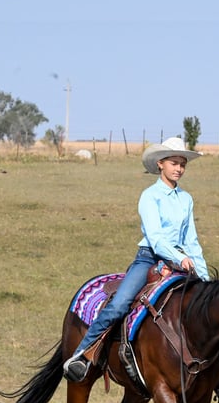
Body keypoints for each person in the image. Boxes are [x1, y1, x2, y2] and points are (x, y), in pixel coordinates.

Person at [63, 136, 210, 381]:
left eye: (182, 164)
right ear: (160, 163)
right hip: (149, 258)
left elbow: (191, 240)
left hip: (180, 261)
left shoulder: (186, 199)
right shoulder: (149, 196)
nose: (179, 168)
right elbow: (155, 237)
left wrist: (203, 277)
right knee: (120, 304)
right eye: (174, 163)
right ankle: (81, 355)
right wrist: (178, 257)